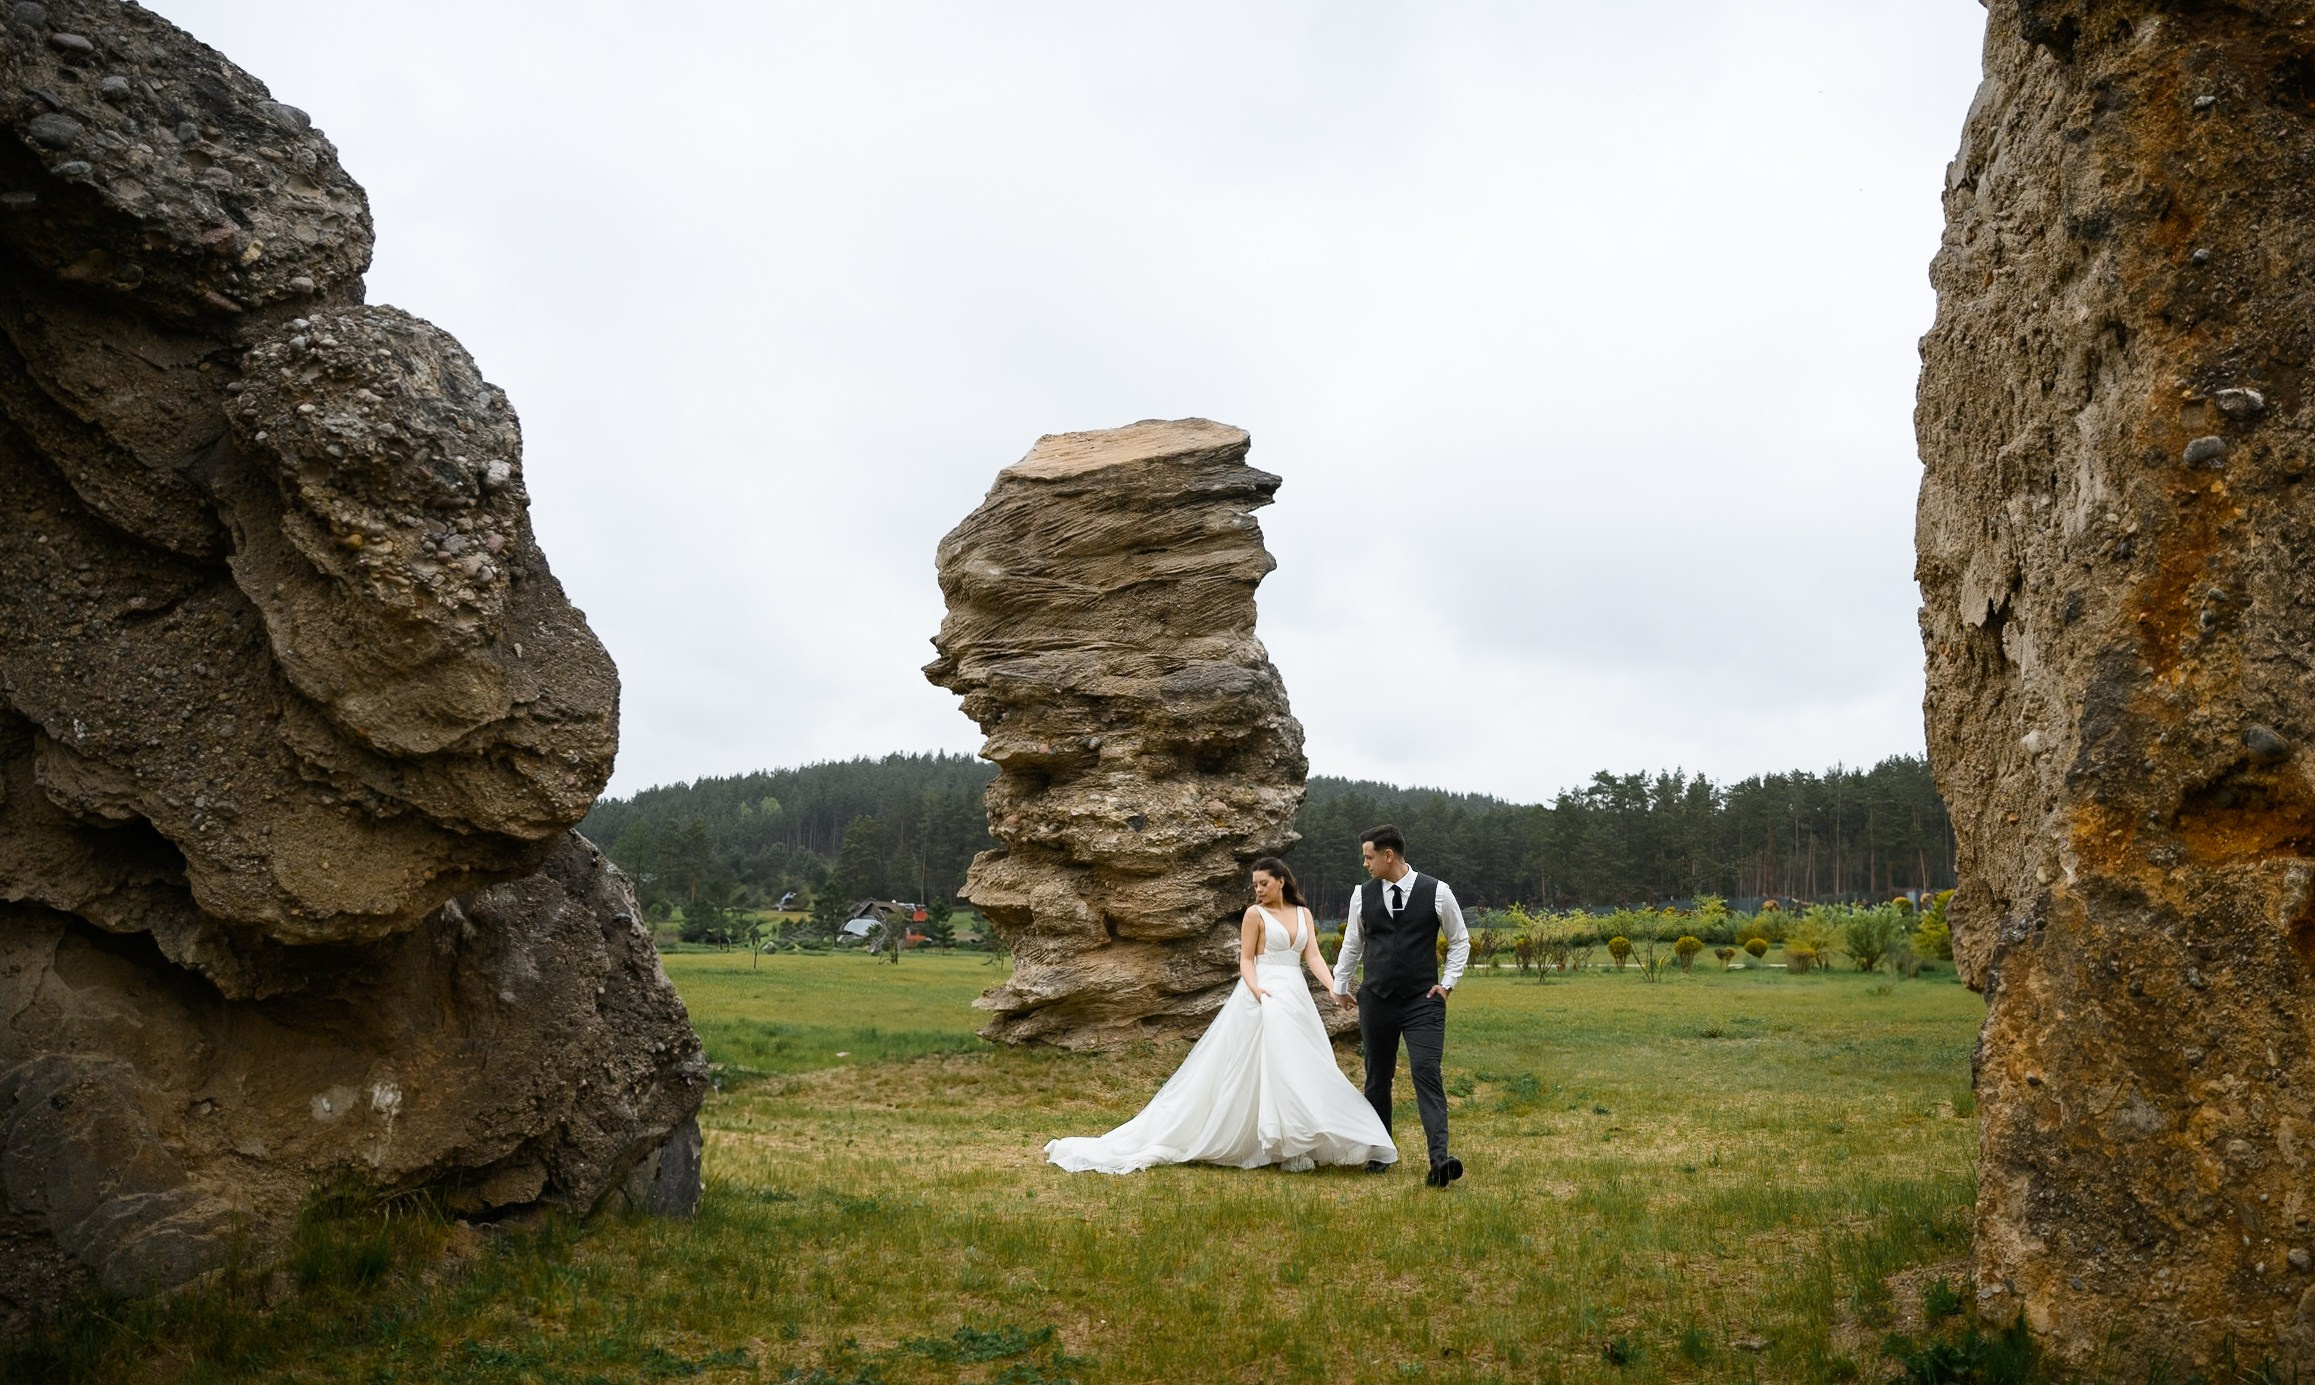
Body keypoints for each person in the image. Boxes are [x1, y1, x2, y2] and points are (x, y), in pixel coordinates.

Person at [1044, 858, 1398, 1175]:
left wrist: (1335, 988)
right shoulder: (1254, 915)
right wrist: (1257, 989)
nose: (1257, 890)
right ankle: (1286, 1147)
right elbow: (1245, 960)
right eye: (1254, 885)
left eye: (1263, 883)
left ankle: (1299, 1140)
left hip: (1295, 997)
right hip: (1263, 995)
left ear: (1281, 882)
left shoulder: (1303, 914)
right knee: (1275, 1067)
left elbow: (1314, 958)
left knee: (1302, 1065)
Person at [1332, 824, 1470, 1187]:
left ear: (1387, 855)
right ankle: (1380, 1153)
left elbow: (1460, 940)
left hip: (1423, 1000)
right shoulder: (1362, 895)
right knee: (1378, 1077)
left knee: (1426, 1073)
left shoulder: (1437, 892)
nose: (1365, 864)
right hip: (1377, 1000)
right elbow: (1352, 944)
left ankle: (1439, 1161)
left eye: (1368, 856)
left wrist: (1448, 984)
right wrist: (1339, 985)